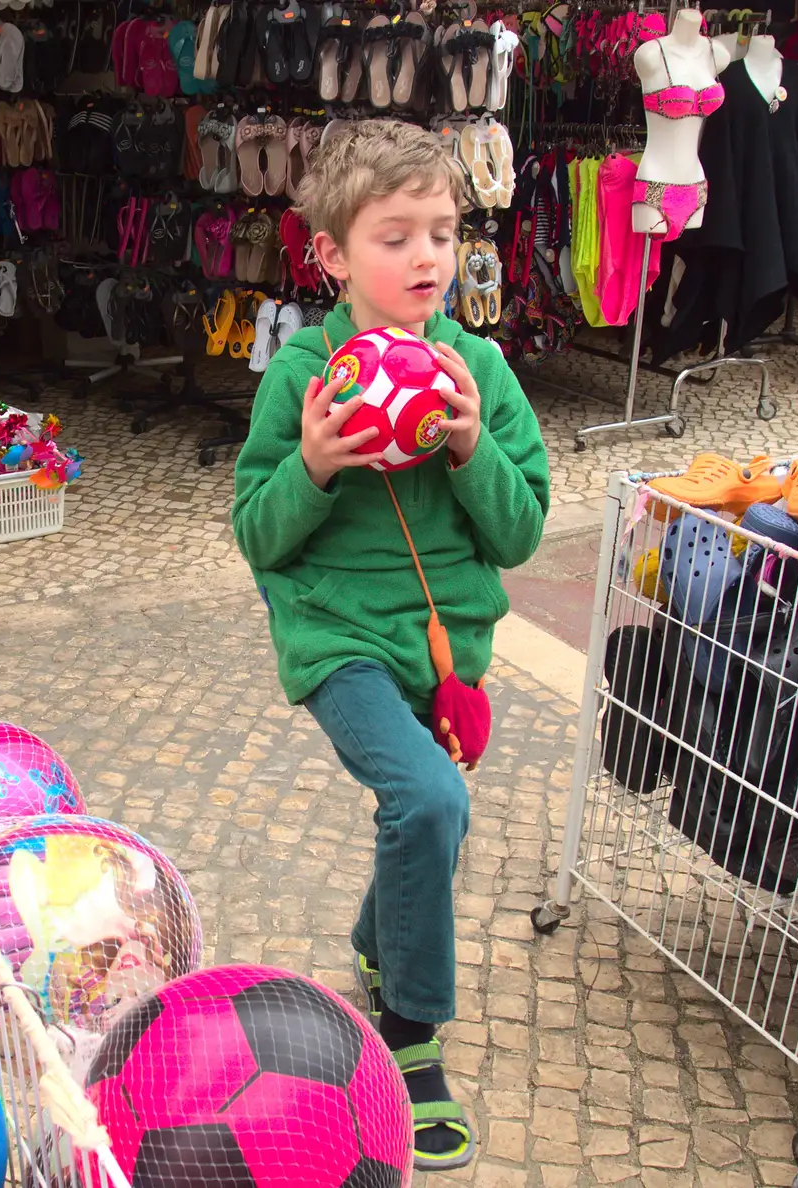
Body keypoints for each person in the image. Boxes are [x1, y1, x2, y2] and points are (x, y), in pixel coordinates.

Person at [231, 119, 550, 1172]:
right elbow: (258, 534)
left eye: (443, 234)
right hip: (338, 641)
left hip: (446, 649)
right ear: (329, 254)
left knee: (429, 823)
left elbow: (520, 530)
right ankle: (408, 1034)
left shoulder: (479, 370)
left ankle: (376, 949)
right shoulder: (304, 377)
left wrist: (465, 447)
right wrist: (313, 465)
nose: (427, 258)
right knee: (429, 802)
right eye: (395, 235)